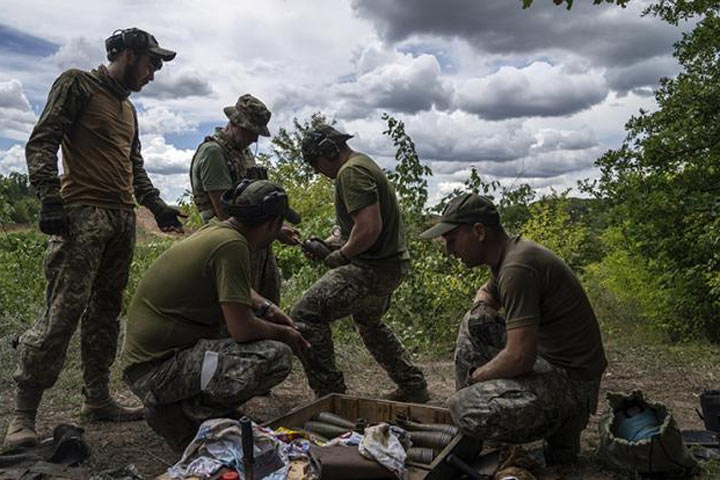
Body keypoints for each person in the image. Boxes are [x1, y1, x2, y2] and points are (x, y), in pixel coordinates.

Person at [5, 28, 185, 448]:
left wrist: (156, 206)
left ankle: (97, 398)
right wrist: (50, 198)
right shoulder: (77, 83)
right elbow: (43, 140)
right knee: (63, 313)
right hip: (82, 214)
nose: (154, 74)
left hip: (122, 220)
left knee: (105, 314)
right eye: (151, 63)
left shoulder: (129, 110)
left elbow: (134, 164)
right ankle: (23, 414)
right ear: (126, 54)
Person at [121, 179, 309, 452]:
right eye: (279, 224)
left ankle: (180, 409)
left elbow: (237, 290)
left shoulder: (217, 231)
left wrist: (267, 308)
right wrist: (286, 334)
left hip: (149, 362)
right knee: (274, 355)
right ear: (270, 224)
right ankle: (187, 417)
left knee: (233, 334)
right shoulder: (232, 246)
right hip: (156, 373)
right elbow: (241, 329)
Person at [419, 193, 607, 464]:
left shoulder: (518, 267)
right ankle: (489, 430)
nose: (449, 250)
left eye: (452, 240)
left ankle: (552, 430)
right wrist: (482, 309)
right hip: (557, 365)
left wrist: (477, 379)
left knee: (462, 407)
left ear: (479, 231)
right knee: (476, 321)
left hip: (573, 386)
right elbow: (484, 294)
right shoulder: (510, 255)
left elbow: (521, 357)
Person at [294, 125, 428, 402]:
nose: (317, 170)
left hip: (372, 269)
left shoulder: (350, 173)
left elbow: (368, 228)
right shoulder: (361, 164)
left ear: (327, 152)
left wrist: (341, 256)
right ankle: (412, 385)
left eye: (314, 162)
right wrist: (333, 242)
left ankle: (329, 394)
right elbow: (355, 227)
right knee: (369, 322)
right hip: (389, 266)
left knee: (305, 315)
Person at [189, 94, 298, 304]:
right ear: (235, 123)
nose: (255, 139)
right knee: (241, 308)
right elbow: (225, 213)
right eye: (251, 131)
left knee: (268, 306)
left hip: (254, 242)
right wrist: (273, 231)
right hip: (229, 244)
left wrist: (275, 229)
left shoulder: (243, 151)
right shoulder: (213, 152)